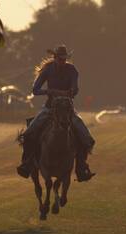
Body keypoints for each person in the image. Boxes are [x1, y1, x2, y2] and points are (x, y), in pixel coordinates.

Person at [16, 45, 96, 182]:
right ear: (55, 58)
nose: (62, 62)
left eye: (64, 59)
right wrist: (50, 92)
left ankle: (81, 167)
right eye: (60, 59)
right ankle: (27, 163)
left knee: (86, 137)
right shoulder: (48, 70)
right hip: (50, 107)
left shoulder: (72, 70)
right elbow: (35, 90)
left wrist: (70, 92)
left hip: (67, 108)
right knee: (29, 134)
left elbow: (75, 89)